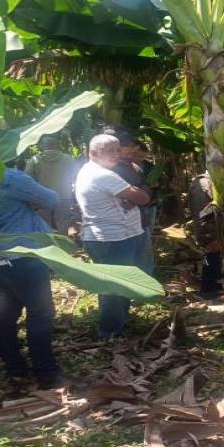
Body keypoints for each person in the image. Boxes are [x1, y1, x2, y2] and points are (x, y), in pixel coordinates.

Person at [0, 168, 65, 389]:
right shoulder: (8, 177)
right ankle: (47, 373)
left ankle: (14, 367)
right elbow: (51, 199)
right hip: (19, 254)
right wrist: (28, 202)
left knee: (7, 312)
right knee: (41, 313)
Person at [75, 134, 152, 338]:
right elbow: (142, 197)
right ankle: (109, 331)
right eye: (110, 151)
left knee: (120, 283)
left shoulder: (95, 171)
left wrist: (132, 194)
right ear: (93, 153)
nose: (116, 155)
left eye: (118, 150)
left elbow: (134, 195)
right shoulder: (103, 175)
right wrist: (136, 193)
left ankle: (118, 324)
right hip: (113, 239)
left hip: (115, 236)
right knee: (114, 286)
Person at [112, 133, 158, 276]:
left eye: (134, 146)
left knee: (144, 260)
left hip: (141, 221)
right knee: (126, 266)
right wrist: (139, 193)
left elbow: (146, 191)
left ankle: (145, 293)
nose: (132, 149)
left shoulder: (134, 167)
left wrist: (137, 195)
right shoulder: (111, 169)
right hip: (121, 225)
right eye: (127, 146)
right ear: (117, 148)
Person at [24, 135, 79, 234]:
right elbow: (76, 175)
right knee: (63, 224)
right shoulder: (67, 159)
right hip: (64, 196)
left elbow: (27, 179)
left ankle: (47, 246)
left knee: (44, 225)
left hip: (43, 197)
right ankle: (63, 246)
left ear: (42, 146)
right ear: (57, 145)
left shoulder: (35, 160)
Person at [189, 171, 223, 299]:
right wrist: (211, 234)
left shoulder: (213, 181)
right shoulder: (202, 184)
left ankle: (214, 286)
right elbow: (203, 213)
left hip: (215, 228)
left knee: (215, 258)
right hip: (210, 230)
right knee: (211, 256)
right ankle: (208, 289)